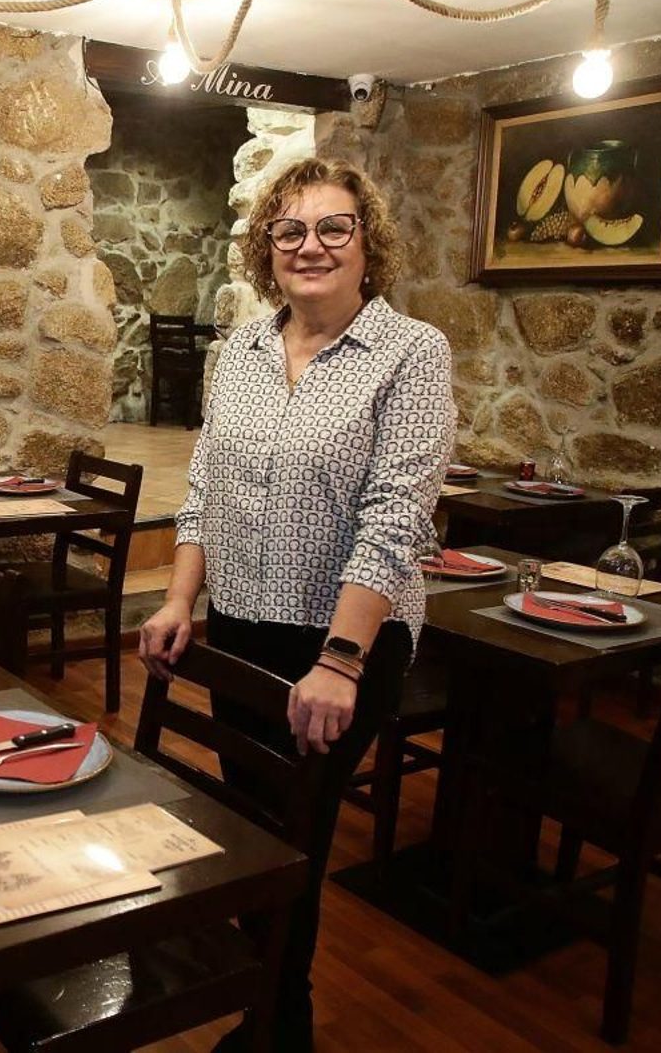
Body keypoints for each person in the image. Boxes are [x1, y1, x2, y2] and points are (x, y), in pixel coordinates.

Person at [139, 157, 455, 1051]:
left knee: (295, 842)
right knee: (253, 831)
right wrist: (178, 600)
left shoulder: (410, 353)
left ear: (367, 245)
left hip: (344, 648)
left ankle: (281, 1025)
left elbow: (395, 519)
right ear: (265, 248)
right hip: (241, 628)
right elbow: (204, 489)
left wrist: (340, 660)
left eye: (333, 227)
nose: (309, 245)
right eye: (290, 229)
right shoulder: (236, 352)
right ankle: (275, 1013)